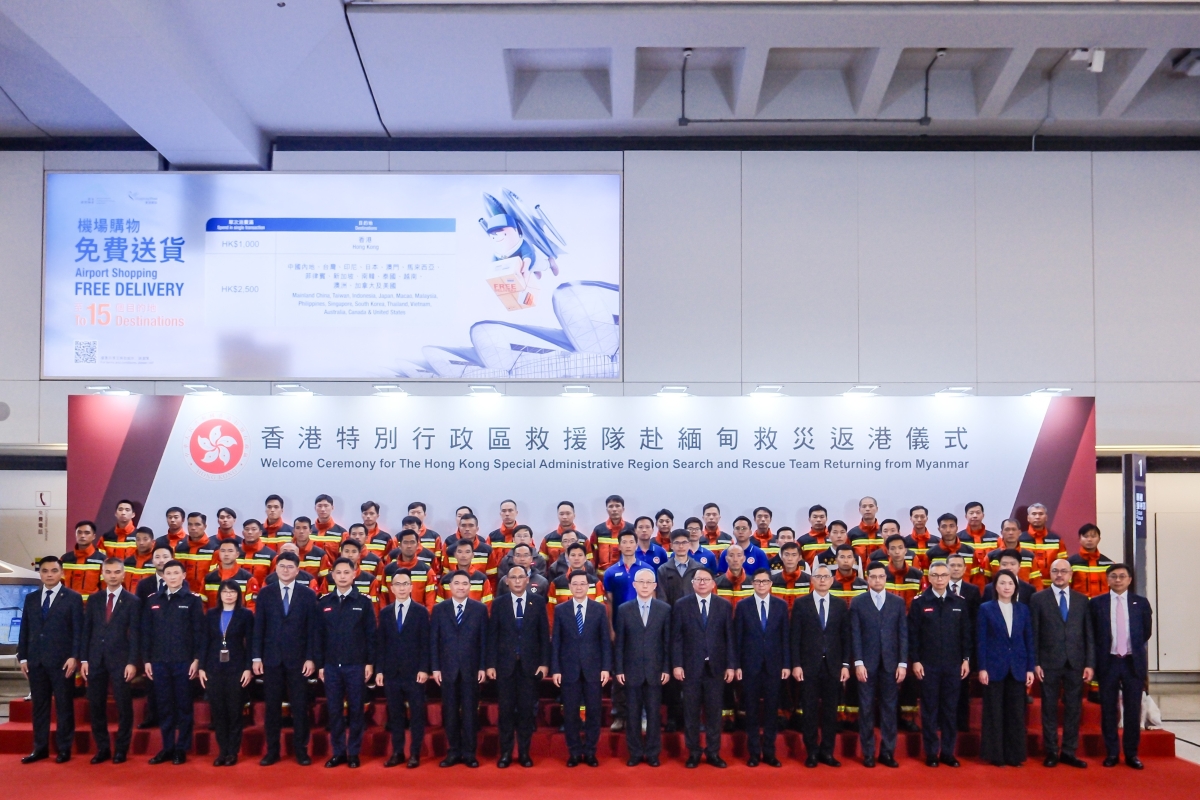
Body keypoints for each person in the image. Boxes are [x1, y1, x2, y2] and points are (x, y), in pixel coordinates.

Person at [252, 551, 318, 766]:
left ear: (298, 570)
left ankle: (301, 750)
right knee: (272, 707)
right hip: (271, 659)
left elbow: (312, 630)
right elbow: (259, 627)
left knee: (300, 706)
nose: (286, 570)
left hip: (299, 660)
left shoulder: (308, 595)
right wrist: (256, 657)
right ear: (276, 569)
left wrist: (311, 657)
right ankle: (272, 751)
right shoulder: (265, 593)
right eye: (282, 566)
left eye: (290, 567)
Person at [18, 555, 84, 764]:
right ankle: (40, 749)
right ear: (40, 573)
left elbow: (78, 631)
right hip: (36, 661)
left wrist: (74, 657)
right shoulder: (31, 598)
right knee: (39, 707)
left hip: (62, 662)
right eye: (45, 571)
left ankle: (64, 749)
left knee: (64, 706)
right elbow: (25, 629)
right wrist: (23, 657)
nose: (49, 575)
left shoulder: (73, 598)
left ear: (62, 573)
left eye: (54, 571)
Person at [1031, 558, 1094, 769]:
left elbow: (1088, 634)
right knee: (1048, 708)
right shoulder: (1038, 599)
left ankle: (1068, 751)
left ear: (1071, 574)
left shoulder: (1082, 600)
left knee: (1074, 708)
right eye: (1055, 571)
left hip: (1076, 662)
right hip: (1048, 662)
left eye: (1063, 571)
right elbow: (1034, 633)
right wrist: (1035, 662)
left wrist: (1089, 663)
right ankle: (1051, 751)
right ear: (1049, 573)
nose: (1059, 575)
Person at [908, 562, 972, 768]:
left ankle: (947, 752)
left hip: (953, 665)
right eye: (935, 575)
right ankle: (931, 753)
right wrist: (915, 660)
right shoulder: (920, 602)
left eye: (943, 575)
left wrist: (966, 659)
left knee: (950, 710)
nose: (939, 579)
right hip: (928, 665)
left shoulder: (959, 602)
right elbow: (913, 635)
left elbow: (966, 634)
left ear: (949, 577)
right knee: (929, 710)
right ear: (929, 577)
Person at [314, 558, 376, 768]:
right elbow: (318, 636)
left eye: (346, 572)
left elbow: (371, 635)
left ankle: (354, 753)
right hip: (331, 666)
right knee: (334, 710)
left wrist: (369, 663)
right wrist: (320, 665)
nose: (342, 576)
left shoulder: (364, 602)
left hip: (356, 665)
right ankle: (338, 752)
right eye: (338, 572)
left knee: (356, 709)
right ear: (332, 575)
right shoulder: (324, 602)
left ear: (354, 574)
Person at [141, 559, 205, 765]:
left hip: (184, 662)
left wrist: (197, 660)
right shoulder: (153, 600)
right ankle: (167, 747)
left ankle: (181, 748)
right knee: (164, 706)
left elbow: (199, 633)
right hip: (159, 661)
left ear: (183, 576)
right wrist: (147, 660)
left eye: (176, 573)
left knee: (184, 706)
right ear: (163, 576)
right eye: (168, 573)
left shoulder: (193, 600)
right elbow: (146, 633)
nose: (172, 577)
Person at [1089, 563, 1152, 769]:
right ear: (1107, 579)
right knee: (1108, 709)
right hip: (1108, 662)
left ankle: (1132, 754)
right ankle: (1112, 753)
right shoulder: (1097, 603)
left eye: (1122, 576)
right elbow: (1093, 633)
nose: (1118, 580)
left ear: (1129, 579)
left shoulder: (1140, 603)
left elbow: (1146, 632)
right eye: (1113, 576)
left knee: (1133, 710)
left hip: (1132, 662)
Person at [672, 566, 735, 769]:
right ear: (692, 584)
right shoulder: (682, 605)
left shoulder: (724, 605)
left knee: (714, 713)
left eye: (705, 579)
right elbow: (677, 638)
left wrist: (731, 665)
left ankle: (713, 752)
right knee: (691, 713)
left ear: (713, 583)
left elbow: (729, 638)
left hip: (716, 668)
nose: (701, 583)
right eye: (698, 580)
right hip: (690, 667)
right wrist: (677, 664)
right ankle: (693, 752)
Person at [487, 565, 550, 768]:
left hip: (529, 667)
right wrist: (490, 664)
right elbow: (493, 636)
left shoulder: (537, 602)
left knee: (525, 712)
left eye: (520, 577)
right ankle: (505, 753)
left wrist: (544, 663)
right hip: (504, 667)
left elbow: (543, 635)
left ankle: (524, 753)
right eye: (512, 577)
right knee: (505, 712)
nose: (516, 581)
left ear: (527, 580)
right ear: (506, 581)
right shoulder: (499, 603)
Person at [81, 557, 140, 764]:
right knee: (96, 705)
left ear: (124, 574)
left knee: (124, 706)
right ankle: (103, 748)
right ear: (102, 574)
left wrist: (132, 662)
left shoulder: (132, 601)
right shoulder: (94, 599)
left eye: (116, 572)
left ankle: (121, 749)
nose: (112, 576)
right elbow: (87, 631)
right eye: (108, 572)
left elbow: (135, 635)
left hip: (121, 661)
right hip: (95, 659)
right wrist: (84, 659)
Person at [552, 569, 612, 766]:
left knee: (594, 712)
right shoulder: (561, 610)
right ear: (570, 587)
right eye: (575, 584)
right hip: (568, 670)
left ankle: (591, 751)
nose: (579, 587)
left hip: (593, 670)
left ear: (588, 587)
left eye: (582, 584)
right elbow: (556, 642)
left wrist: (606, 668)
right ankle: (574, 752)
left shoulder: (599, 609)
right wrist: (556, 669)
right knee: (570, 713)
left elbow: (605, 641)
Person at [792, 563, 850, 767]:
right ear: (812, 580)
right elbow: (795, 637)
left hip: (833, 666)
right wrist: (796, 664)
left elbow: (845, 637)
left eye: (826, 577)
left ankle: (827, 751)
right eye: (818, 577)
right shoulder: (801, 604)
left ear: (832, 581)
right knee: (809, 710)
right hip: (808, 666)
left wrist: (845, 664)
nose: (822, 580)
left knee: (830, 711)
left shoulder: (840, 605)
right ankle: (811, 752)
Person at [851, 561, 908, 768]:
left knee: (889, 709)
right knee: (866, 709)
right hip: (866, 664)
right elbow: (855, 634)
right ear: (867, 578)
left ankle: (887, 752)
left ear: (886, 578)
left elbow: (903, 634)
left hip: (891, 664)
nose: (877, 580)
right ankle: (868, 753)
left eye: (881, 576)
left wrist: (903, 663)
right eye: (873, 577)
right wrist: (858, 662)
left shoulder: (897, 602)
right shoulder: (858, 602)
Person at [977, 570, 1036, 767]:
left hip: (1018, 666)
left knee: (1016, 713)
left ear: (1015, 587)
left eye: (1010, 583)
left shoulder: (1023, 609)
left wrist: (1030, 668)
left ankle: (1014, 755)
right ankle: (996, 755)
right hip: (993, 667)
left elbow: (1028, 640)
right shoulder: (986, 608)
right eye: (1002, 583)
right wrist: (982, 667)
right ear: (995, 586)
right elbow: (981, 640)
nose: (1006, 587)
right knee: (994, 713)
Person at [430, 570, 488, 768]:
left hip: (472, 669)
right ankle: (453, 752)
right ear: (450, 586)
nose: (461, 587)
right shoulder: (439, 609)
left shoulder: (480, 609)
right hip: (447, 669)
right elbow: (434, 640)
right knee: (450, 713)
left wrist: (482, 666)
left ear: (470, 586)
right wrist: (435, 667)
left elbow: (484, 641)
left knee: (470, 713)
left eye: (465, 583)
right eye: (457, 583)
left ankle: (470, 753)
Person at [614, 567, 671, 766]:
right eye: (641, 582)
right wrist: (619, 669)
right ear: (634, 585)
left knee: (654, 714)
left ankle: (653, 753)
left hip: (656, 670)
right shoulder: (624, 609)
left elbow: (667, 643)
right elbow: (620, 643)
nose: (645, 586)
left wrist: (666, 668)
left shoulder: (664, 609)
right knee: (632, 714)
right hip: (631, 671)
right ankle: (635, 753)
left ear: (654, 586)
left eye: (649, 582)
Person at [734, 569, 790, 767]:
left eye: (765, 581)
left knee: (771, 711)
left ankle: (769, 752)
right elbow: (738, 638)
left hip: (774, 666)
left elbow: (785, 637)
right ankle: (753, 753)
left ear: (770, 584)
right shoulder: (743, 606)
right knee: (751, 711)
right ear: (753, 584)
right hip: (750, 666)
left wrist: (786, 664)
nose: (761, 585)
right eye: (757, 582)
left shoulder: (781, 606)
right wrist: (737, 665)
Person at [375, 570, 431, 768]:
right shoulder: (385, 613)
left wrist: (424, 669)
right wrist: (379, 670)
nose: (401, 588)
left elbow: (425, 643)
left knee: (416, 715)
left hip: (415, 673)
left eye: (405, 584)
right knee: (395, 715)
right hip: (391, 673)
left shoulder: (421, 612)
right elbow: (381, 644)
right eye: (397, 584)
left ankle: (415, 753)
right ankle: (397, 752)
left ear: (411, 587)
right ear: (391, 588)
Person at [199, 579, 252, 766]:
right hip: (213, 668)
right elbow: (204, 642)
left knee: (234, 711)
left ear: (238, 595)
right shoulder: (211, 614)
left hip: (237, 668)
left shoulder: (246, 615)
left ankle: (232, 752)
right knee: (218, 712)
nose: (229, 595)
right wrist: (201, 667)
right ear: (219, 595)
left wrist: (248, 668)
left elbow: (251, 643)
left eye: (233, 592)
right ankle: (222, 751)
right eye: (225, 591)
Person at [945, 553, 982, 733]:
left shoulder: (972, 591)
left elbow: (976, 620)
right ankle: (943, 721)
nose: (956, 568)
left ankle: (961, 722)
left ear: (965, 568)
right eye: (952, 565)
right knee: (943, 688)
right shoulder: (938, 588)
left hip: (963, 647)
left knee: (962, 687)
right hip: (942, 645)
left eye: (959, 565)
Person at [986, 519, 1044, 590]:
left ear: (1019, 532)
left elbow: (1037, 583)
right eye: (1007, 529)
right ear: (1001, 532)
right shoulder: (991, 556)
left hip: (1023, 595)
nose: (1011, 533)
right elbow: (985, 582)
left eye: (1014, 529)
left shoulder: (1029, 556)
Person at [62, 520, 106, 599]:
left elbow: (105, 587)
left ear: (94, 536)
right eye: (79, 532)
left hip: (92, 605)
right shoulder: (65, 559)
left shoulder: (102, 560)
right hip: (68, 605)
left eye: (87, 533)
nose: (82, 536)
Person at [1068, 523, 1114, 598]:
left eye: (1093, 536)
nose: (1089, 539)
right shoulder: (1070, 563)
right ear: (1079, 539)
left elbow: (1114, 588)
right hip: (1079, 603)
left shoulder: (1108, 563)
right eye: (1086, 536)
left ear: (1099, 539)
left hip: (1102, 603)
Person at [657, 529, 701, 606]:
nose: (681, 546)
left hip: (694, 611)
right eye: (677, 543)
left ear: (689, 544)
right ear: (671, 546)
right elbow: (662, 596)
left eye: (684, 542)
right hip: (672, 611)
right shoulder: (663, 569)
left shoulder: (698, 568)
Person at [176, 512, 216, 594]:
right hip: (183, 595)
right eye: (190, 524)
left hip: (205, 595)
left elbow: (214, 577)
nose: (193, 528)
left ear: (205, 526)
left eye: (197, 524)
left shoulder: (214, 549)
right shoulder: (179, 549)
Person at [591, 494, 633, 570]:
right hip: (602, 575)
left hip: (625, 573)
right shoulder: (598, 530)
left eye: (617, 506)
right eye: (610, 506)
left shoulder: (631, 529)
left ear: (623, 509)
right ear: (607, 510)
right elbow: (593, 555)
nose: (614, 509)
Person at [486, 499, 522, 584]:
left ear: (516, 513)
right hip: (497, 581)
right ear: (500, 514)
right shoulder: (492, 537)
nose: (507, 514)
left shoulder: (523, 535)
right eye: (504, 511)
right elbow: (487, 561)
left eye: (510, 510)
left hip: (519, 580)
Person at [540, 501, 584, 565]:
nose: (564, 517)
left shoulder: (583, 540)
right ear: (557, 516)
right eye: (561, 514)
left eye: (568, 513)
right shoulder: (548, 540)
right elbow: (541, 564)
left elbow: (589, 564)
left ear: (574, 515)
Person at [904, 506, 940, 574]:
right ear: (911, 519)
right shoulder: (904, 543)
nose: (919, 520)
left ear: (927, 518)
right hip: (911, 579)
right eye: (916, 517)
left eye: (922, 516)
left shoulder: (938, 542)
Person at [849, 496, 884, 564]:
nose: (867, 509)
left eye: (871, 506)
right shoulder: (852, 534)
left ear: (877, 509)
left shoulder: (884, 532)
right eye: (864, 506)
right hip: (860, 570)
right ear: (859, 510)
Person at [122, 526, 157, 591]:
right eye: (138, 539)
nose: (141, 543)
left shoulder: (157, 562)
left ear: (153, 542)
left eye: (145, 539)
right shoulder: (127, 562)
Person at [311, 494, 346, 558]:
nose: (322, 509)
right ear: (315, 508)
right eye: (319, 506)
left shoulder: (342, 533)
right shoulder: (308, 531)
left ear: (332, 508)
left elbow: (343, 558)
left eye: (326, 506)